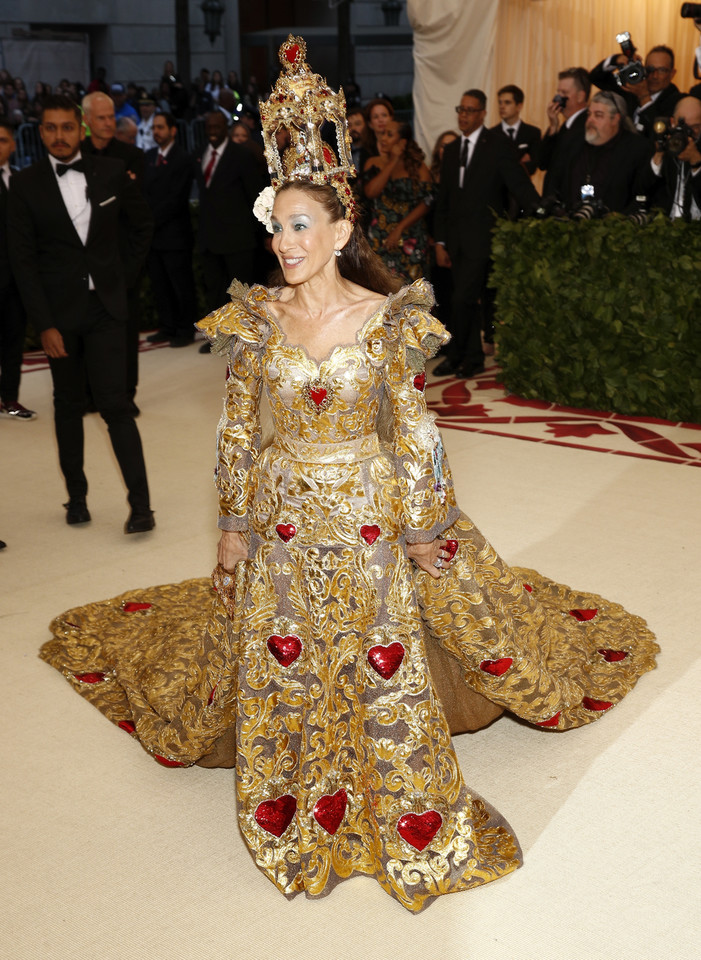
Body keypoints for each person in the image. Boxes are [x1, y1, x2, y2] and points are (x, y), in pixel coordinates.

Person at [38, 38, 658, 913]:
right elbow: (239, 436)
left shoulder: (387, 317)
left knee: (384, 650)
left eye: (301, 226)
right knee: (286, 654)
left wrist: (426, 526)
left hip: (370, 516)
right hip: (285, 520)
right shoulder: (254, 320)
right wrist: (231, 526)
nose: (284, 242)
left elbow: (413, 433)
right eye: (276, 226)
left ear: (339, 230)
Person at [8, 95, 154, 532]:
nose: (58, 135)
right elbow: (23, 261)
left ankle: (142, 506)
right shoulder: (25, 184)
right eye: (50, 128)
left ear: (81, 129)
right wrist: (44, 324)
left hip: (106, 308)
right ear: (40, 132)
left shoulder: (110, 172)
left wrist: (120, 280)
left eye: (66, 127)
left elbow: (141, 225)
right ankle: (76, 498)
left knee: (116, 404)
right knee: (68, 405)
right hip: (59, 317)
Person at [433, 88, 540, 378]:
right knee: (462, 297)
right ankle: (471, 356)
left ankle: (461, 356)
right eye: (460, 109)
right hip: (455, 239)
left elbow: (517, 182)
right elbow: (444, 198)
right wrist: (440, 240)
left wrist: (539, 210)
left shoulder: (497, 145)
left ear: (482, 113)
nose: (463, 115)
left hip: (483, 237)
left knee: (463, 299)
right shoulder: (453, 150)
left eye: (470, 110)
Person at [194, 110, 267, 352]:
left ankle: (244, 338)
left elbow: (254, 196)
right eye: (209, 127)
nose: (212, 131)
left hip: (238, 238)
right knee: (214, 289)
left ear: (225, 127)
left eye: (216, 126)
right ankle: (218, 338)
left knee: (240, 293)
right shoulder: (202, 153)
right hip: (210, 238)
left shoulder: (241, 156)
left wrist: (263, 233)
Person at [143, 111, 198, 346]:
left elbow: (176, 199)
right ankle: (167, 326)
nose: (156, 132)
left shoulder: (183, 159)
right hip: (153, 236)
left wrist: (149, 220)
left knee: (180, 284)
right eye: (154, 128)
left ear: (173, 131)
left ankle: (185, 330)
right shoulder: (147, 157)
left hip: (174, 234)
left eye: (161, 127)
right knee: (160, 284)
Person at [550, 91, 655, 213]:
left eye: (598, 115)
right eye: (589, 114)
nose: (590, 120)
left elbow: (641, 194)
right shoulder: (573, 143)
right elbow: (554, 182)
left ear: (615, 119)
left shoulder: (637, 149)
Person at [363, 120, 433, 282]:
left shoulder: (418, 167)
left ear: (402, 142)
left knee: (412, 292)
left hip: (411, 236)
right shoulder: (373, 162)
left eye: (389, 134)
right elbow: (371, 192)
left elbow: (427, 202)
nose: (383, 138)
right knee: (382, 289)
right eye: (382, 134)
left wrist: (400, 228)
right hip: (380, 236)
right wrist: (393, 160)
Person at [0, 119, 36, 421]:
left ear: (12, 145)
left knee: (13, 342)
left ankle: (9, 398)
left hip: (16, 279)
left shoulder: (23, 182)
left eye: (1, 140)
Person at [589, 44, 683, 140]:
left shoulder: (677, 101)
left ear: (672, 74)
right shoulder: (631, 88)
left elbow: (658, 133)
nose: (655, 76)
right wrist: (616, 60)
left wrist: (644, 96)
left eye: (662, 70)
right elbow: (595, 78)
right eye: (650, 69)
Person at [539, 67, 590, 199]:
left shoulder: (588, 126)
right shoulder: (563, 127)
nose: (558, 97)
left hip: (570, 202)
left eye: (564, 92)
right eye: (558, 92)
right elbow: (542, 162)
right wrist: (553, 127)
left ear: (580, 96)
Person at [650, 96, 701, 219]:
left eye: (695, 127)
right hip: (665, 225)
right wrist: (659, 155)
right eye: (683, 126)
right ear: (672, 122)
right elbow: (642, 190)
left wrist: (696, 161)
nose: (688, 132)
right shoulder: (666, 143)